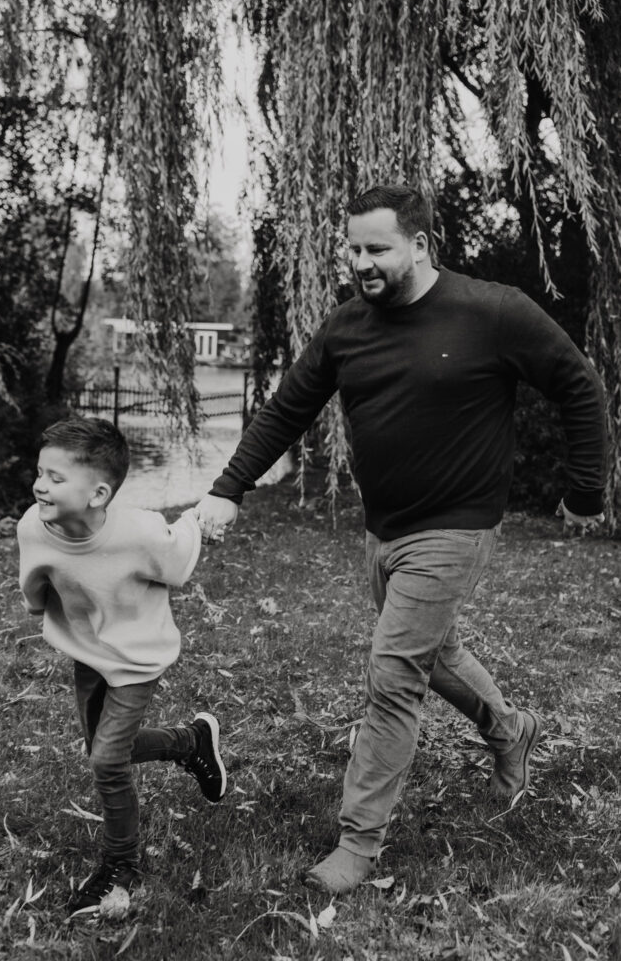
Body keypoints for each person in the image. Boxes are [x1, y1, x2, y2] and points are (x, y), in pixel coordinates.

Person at [194, 184, 608, 894]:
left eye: (376, 248)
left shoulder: (493, 311)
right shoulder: (347, 326)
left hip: (457, 526)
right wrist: (227, 487)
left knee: (392, 675)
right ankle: (509, 729)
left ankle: (357, 845)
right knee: (433, 651)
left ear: (420, 244)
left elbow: (578, 386)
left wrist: (584, 489)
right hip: (384, 530)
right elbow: (286, 410)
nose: (360, 261)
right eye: (352, 248)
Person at [17, 417, 227, 917]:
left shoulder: (138, 532)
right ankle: (191, 741)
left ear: (98, 493)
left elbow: (177, 557)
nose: (39, 485)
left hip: (137, 656)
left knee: (107, 761)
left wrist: (201, 519)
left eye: (55, 478)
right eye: (40, 472)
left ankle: (120, 864)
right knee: (103, 748)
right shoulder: (32, 525)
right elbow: (34, 584)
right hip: (88, 652)